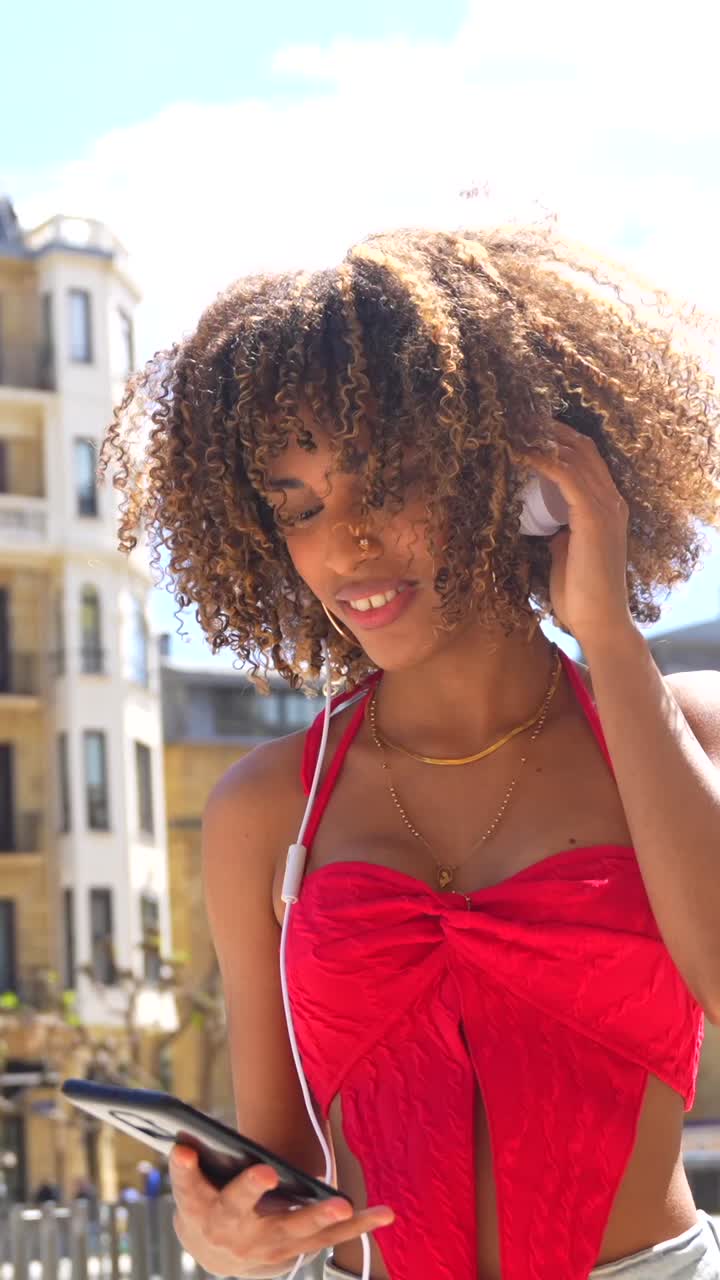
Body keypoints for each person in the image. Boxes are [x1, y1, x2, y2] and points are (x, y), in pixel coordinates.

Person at [100, 224, 720, 1280]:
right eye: (298, 506)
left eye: (382, 483)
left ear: (515, 476)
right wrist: (227, 1235)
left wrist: (608, 633)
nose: (346, 544)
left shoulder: (684, 729)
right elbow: (282, 1161)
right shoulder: (267, 808)